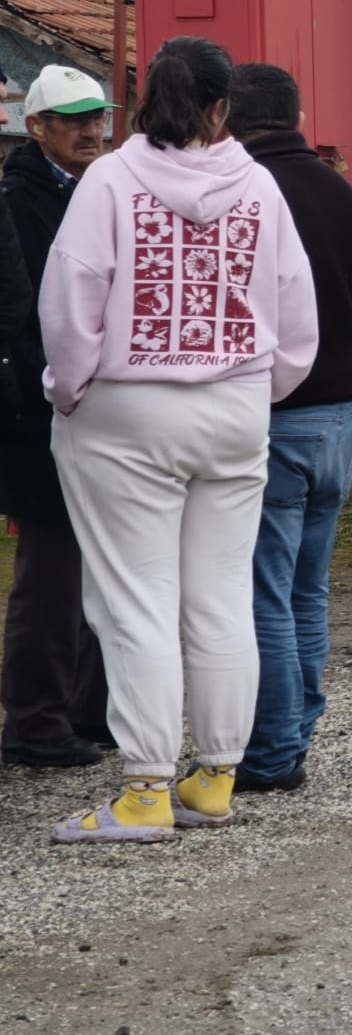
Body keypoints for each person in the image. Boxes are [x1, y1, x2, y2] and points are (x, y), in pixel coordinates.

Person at [42, 37, 318, 843]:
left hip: (127, 410)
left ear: (140, 99)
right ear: (222, 104)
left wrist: (70, 390)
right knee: (223, 597)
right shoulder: (260, 187)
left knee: (135, 602)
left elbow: (71, 300)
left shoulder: (108, 181)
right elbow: (295, 308)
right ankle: (216, 777)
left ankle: (143, 790)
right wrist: (260, 388)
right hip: (235, 407)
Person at [227, 63, 352, 793]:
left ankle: (273, 750)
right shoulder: (340, 191)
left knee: (263, 591)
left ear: (227, 116)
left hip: (278, 414)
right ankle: (299, 728)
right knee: (307, 589)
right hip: (343, 414)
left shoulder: (245, 193)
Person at [0, 65, 115, 768]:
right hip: (41, 410)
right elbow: (27, 314)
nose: (91, 129)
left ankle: (86, 709)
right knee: (52, 568)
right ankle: (36, 719)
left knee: (99, 565)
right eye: (73, 119)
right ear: (35, 125)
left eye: (97, 116)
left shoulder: (96, 190)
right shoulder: (20, 200)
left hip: (96, 403)